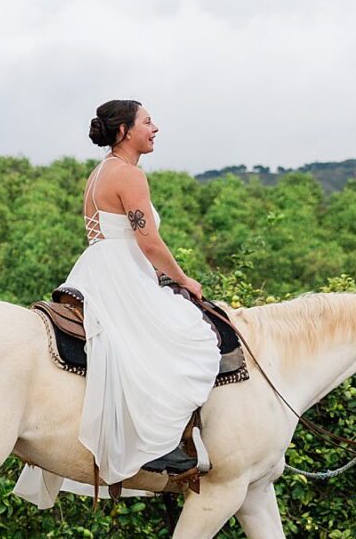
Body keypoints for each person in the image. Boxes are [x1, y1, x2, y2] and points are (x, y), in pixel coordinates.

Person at [16, 100, 219, 507]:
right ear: (125, 131)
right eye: (147, 121)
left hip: (99, 266)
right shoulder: (128, 175)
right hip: (120, 272)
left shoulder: (99, 174)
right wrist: (183, 279)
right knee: (190, 337)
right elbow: (147, 241)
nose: (155, 127)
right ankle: (158, 443)